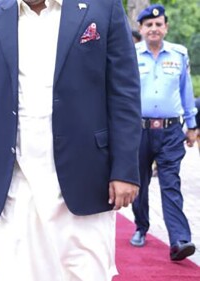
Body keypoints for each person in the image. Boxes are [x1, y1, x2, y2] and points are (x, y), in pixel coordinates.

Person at [0, 0, 141, 280]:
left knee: (85, 273)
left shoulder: (103, 9)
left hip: (85, 179)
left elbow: (124, 95)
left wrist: (125, 170)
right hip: (12, 183)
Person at [130, 4, 197, 261]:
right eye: (149, 25)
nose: (154, 29)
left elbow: (186, 92)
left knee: (171, 184)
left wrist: (191, 126)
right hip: (138, 130)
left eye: (159, 25)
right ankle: (141, 226)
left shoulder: (178, 55)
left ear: (166, 27)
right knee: (139, 183)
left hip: (170, 131)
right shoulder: (131, 55)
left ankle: (179, 239)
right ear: (141, 29)